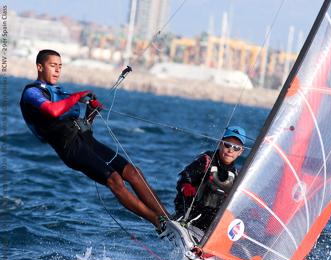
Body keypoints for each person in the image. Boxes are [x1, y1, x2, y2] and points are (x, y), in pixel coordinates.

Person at [19, 49, 170, 235]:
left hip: (86, 141)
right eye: (53, 65)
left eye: (60, 66)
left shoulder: (60, 92)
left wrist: (91, 113)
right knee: (114, 180)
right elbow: (52, 111)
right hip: (71, 149)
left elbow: (84, 125)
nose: (57, 70)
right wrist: (76, 97)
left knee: (133, 172)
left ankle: (169, 219)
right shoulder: (31, 93)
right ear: (39, 67)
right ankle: (158, 223)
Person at [174, 126, 246, 233]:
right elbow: (183, 178)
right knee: (210, 211)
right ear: (221, 143)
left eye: (236, 147)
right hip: (190, 212)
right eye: (227, 145)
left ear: (240, 152)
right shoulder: (206, 160)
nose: (230, 150)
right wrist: (187, 186)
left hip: (211, 220)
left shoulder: (235, 174)